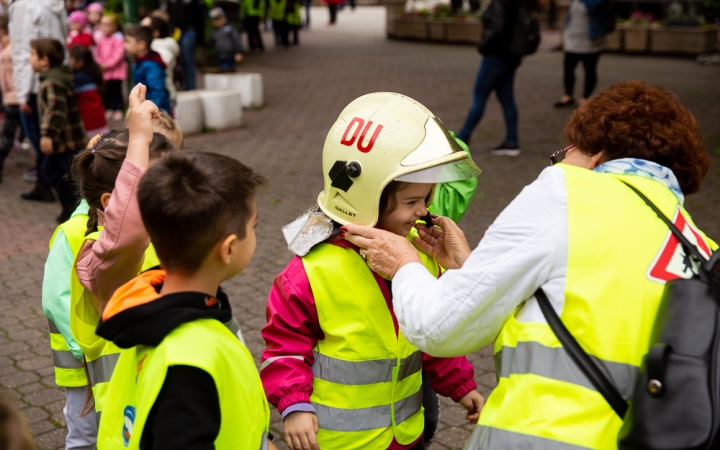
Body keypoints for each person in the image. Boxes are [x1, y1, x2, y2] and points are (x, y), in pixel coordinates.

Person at [343, 81, 717, 449]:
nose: (558, 161)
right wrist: (468, 267)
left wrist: (406, 264)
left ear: (598, 156)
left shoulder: (568, 191)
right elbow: (574, 313)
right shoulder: (700, 248)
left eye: (565, 151)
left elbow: (438, 328)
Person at [261, 92, 485, 450]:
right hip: (341, 442)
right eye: (412, 202)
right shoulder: (310, 270)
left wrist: (461, 385)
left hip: (406, 436)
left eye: (427, 199)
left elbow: (430, 328)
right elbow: (284, 349)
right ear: (365, 198)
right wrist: (294, 405)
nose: (424, 210)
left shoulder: (423, 252)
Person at [94, 88, 273, 450]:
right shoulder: (189, 364)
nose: (256, 234)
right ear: (228, 248)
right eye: (253, 226)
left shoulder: (150, 311)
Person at [456, 0, 538, 157]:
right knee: (506, 98)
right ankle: (512, 141)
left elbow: (499, 27)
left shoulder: (501, 2)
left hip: (497, 55)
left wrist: (483, 46)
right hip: (510, 56)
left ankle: (462, 138)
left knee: (479, 96)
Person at [9, 0, 68, 203]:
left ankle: (59, 189)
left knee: (44, 142)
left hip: (36, 83)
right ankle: (45, 184)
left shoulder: (24, 6)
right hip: (54, 74)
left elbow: (22, 49)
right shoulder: (52, 4)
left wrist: (22, 91)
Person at [31, 38, 86, 222]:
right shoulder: (52, 78)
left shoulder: (51, 82)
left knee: (69, 176)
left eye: (32, 55)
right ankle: (70, 208)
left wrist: (47, 135)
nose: (29, 59)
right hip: (64, 139)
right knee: (53, 172)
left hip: (64, 140)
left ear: (44, 60)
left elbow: (55, 110)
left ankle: (75, 209)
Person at [554, 0, 612, 108]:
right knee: (568, 68)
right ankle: (568, 95)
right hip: (572, 38)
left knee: (589, 69)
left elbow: (593, 7)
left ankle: (586, 98)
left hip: (591, 39)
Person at [125, 26, 171, 114]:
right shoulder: (139, 62)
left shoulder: (151, 66)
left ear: (141, 45)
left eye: (128, 42)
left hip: (156, 115)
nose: (125, 46)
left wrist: (149, 113)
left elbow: (157, 92)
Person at [0, 14, 22, 184]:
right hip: (9, 96)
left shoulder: (12, 48)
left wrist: (15, 93)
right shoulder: (6, 46)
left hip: (14, 98)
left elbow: (15, 73)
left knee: (8, 134)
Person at [141, 15, 180, 109]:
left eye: (145, 29)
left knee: (163, 122)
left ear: (156, 33)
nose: (140, 32)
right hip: (161, 95)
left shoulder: (159, 51)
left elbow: (159, 73)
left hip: (162, 96)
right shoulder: (161, 48)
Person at [166, 0, 206, 90]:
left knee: (188, 59)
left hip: (189, 30)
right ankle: (182, 85)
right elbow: (169, 14)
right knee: (179, 60)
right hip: (176, 32)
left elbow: (199, 16)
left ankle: (190, 87)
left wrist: (200, 38)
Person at [69, 45, 107, 138]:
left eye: (70, 58)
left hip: (89, 122)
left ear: (79, 63)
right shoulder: (92, 74)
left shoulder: (78, 78)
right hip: (99, 119)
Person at [95, 13, 126, 121]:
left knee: (116, 90)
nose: (104, 27)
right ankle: (109, 108)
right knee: (106, 90)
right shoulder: (101, 40)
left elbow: (119, 54)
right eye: (102, 24)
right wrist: (99, 63)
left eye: (107, 24)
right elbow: (97, 53)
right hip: (105, 72)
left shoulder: (118, 40)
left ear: (115, 26)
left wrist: (108, 64)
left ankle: (118, 108)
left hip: (116, 72)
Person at [208, 7, 244, 71]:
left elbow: (236, 41)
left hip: (229, 56)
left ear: (224, 18)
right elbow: (212, 43)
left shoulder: (230, 29)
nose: (218, 22)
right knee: (222, 71)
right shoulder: (214, 32)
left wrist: (238, 52)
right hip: (220, 56)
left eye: (219, 19)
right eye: (215, 20)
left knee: (226, 70)